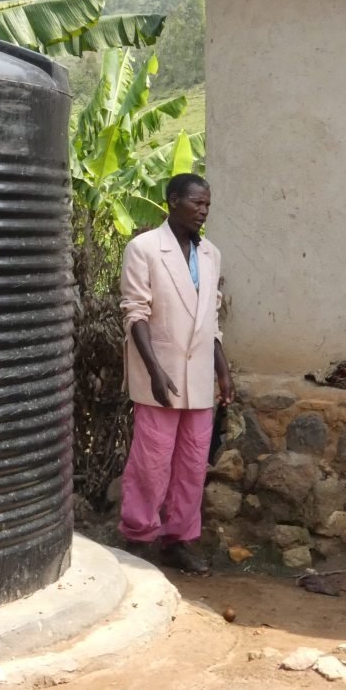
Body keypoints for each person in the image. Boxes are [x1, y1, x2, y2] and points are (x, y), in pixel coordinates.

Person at [118, 173, 234, 575]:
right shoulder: (145, 249)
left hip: (200, 376)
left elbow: (211, 321)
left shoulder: (211, 255)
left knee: (192, 464)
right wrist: (153, 370)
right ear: (172, 201)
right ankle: (137, 536)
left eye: (207, 205)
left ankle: (178, 540)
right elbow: (136, 313)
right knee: (151, 461)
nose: (203, 211)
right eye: (196, 203)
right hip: (159, 375)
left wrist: (223, 372)